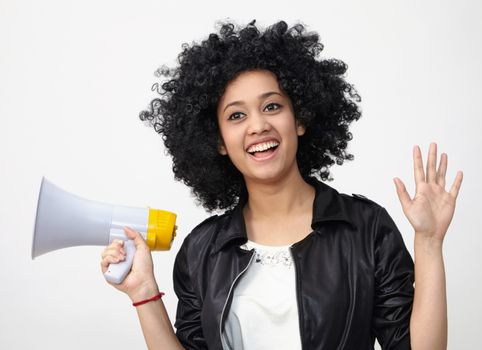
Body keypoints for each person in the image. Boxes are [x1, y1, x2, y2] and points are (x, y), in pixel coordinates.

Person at [100, 20, 463, 350]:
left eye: (272, 106)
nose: (257, 126)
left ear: (300, 119)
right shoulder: (202, 251)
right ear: (219, 141)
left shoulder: (365, 228)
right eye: (236, 115)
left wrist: (429, 244)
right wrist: (145, 294)